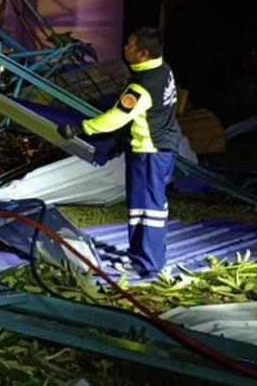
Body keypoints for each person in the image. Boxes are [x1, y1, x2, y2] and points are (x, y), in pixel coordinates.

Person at [59, 27, 181, 277]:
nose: (125, 48)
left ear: (143, 53)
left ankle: (146, 264)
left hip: (148, 153)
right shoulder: (162, 70)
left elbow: (116, 118)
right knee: (146, 207)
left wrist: (81, 128)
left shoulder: (142, 85)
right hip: (161, 147)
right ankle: (144, 257)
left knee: (147, 209)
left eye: (130, 45)